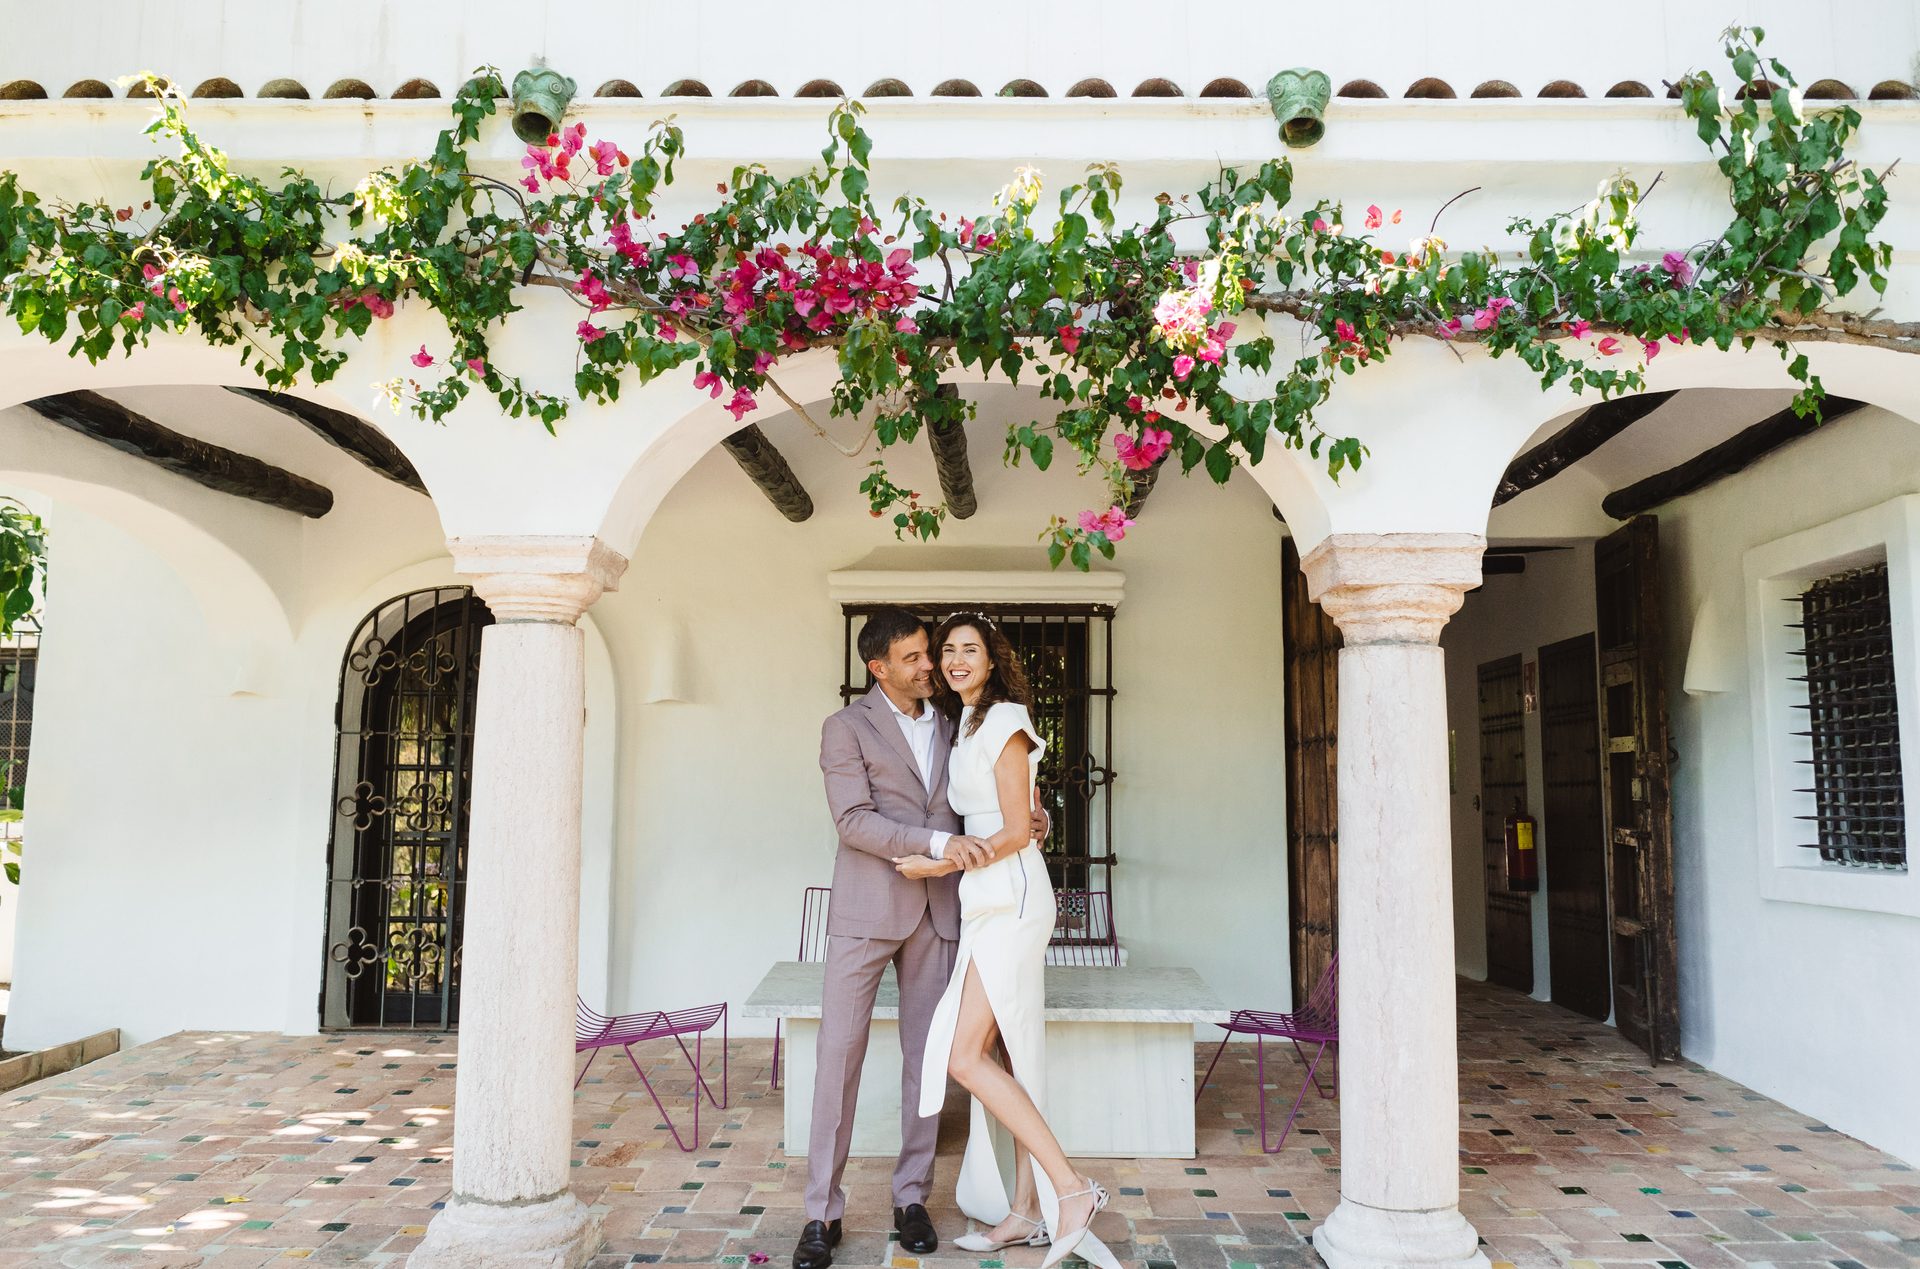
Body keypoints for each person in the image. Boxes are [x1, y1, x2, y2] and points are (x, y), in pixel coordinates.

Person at [798, 607, 1047, 1269]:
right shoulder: (844, 727)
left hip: (941, 912)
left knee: (926, 1060)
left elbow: (991, 796)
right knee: (837, 1059)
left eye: (929, 654)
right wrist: (939, 843)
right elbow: (854, 820)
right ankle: (822, 1210)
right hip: (865, 910)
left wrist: (1032, 816)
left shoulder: (959, 720)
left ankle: (912, 1197)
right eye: (914, 657)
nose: (930, 665)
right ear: (878, 666)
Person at [893, 613, 1120, 1269]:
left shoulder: (1006, 720)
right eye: (949, 650)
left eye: (972, 649)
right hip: (983, 899)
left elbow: (1020, 828)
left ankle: (1071, 1190)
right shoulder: (963, 724)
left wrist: (941, 862)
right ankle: (1024, 1212)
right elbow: (1032, 810)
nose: (958, 658)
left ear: (993, 660)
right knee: (1009, 1054)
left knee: (964, 1056)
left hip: (1013, 897)